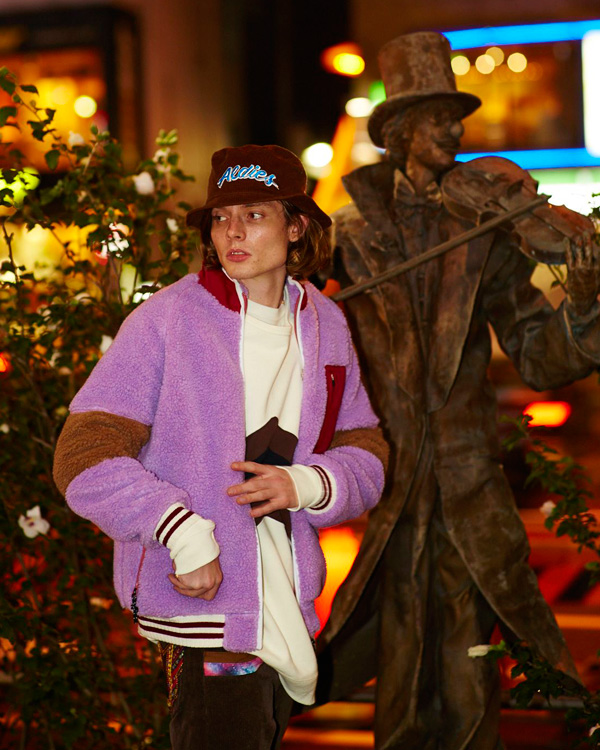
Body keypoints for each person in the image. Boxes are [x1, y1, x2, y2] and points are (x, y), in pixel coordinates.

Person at [317, 32, 600, 750]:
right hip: (392, 484)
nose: (455, 131)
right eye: (439, 117)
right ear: (401, 130)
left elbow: (538, 356)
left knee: (471, 668)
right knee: (402, 664)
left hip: (469, 482)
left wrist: (584, 305)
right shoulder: (346, 237)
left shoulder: (486, 229)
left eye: (456, 118)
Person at [53, 144, 388, 750]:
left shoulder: (325, 321)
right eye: (220, 217)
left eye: (254, 214)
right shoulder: (167, 319)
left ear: (296, 226)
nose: (232, 231)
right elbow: (83, 455)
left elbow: (364, 445)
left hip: (288, 602)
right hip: (204, 608)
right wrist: (182, 534)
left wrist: (309, 484)